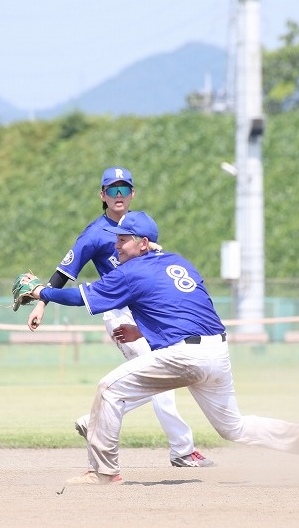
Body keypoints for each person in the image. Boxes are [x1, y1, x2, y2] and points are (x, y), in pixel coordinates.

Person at [21, 211, 299, 485]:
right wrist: (141, 329)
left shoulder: (131, 271)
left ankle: (104, 472)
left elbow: (79, 297)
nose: (116, 245)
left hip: (186, 355)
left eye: (123, 239)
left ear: (143, 243)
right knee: (233, 427)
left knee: (109, 389)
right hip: (216, 351)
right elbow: (186, 307)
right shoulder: (177, 262)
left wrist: (40, 292)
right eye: (116, 238)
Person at [26, 167, 213, 468]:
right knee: (159, 376)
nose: (118, 195)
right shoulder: (94, 234)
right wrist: (41, 304)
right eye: (111, 190)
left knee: (157, 377)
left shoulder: (140, 227)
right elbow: (64, 272)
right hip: (119, 312)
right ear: (102, 195)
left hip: (147, 311)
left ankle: (95, 420)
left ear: (132, 193)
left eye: (123, 189)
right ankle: (182, 449)